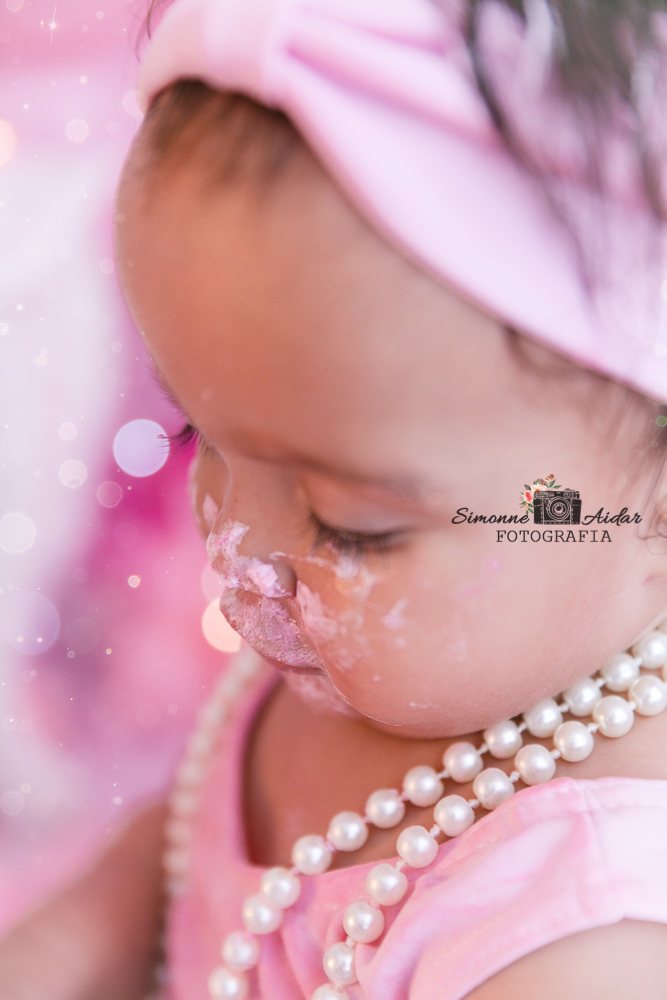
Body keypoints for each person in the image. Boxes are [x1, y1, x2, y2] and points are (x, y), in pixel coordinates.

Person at [5, 0, 667, 996]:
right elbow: (186, 838)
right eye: (198, 435)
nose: (239, 553)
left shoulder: (586, 934)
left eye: (353, 525)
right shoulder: (392, 662)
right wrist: (67, 947)